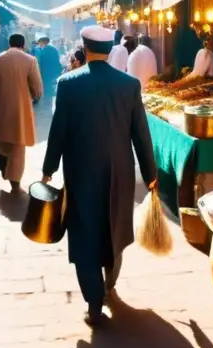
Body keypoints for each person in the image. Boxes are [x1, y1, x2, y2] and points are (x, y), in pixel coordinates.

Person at [42, 25, 158, 327]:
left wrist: (48, 169)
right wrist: (150, 174)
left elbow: (58, 132)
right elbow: (141, 135)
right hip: (119, 172)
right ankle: (110, 283)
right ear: (109, 51)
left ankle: (94, 302)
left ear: (85, 47)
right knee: (115, 226)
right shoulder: (129, 85)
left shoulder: (68, 83)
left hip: (80, 171)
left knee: (84, 232)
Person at [0, 33, 43, 188]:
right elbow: (37, 87)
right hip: (20, 110)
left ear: (9, 44)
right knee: (18, 146)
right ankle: (14, 181)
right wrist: (36, 96)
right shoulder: (30, 60)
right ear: (23, 45)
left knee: (2, 141)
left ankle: (3, 165)